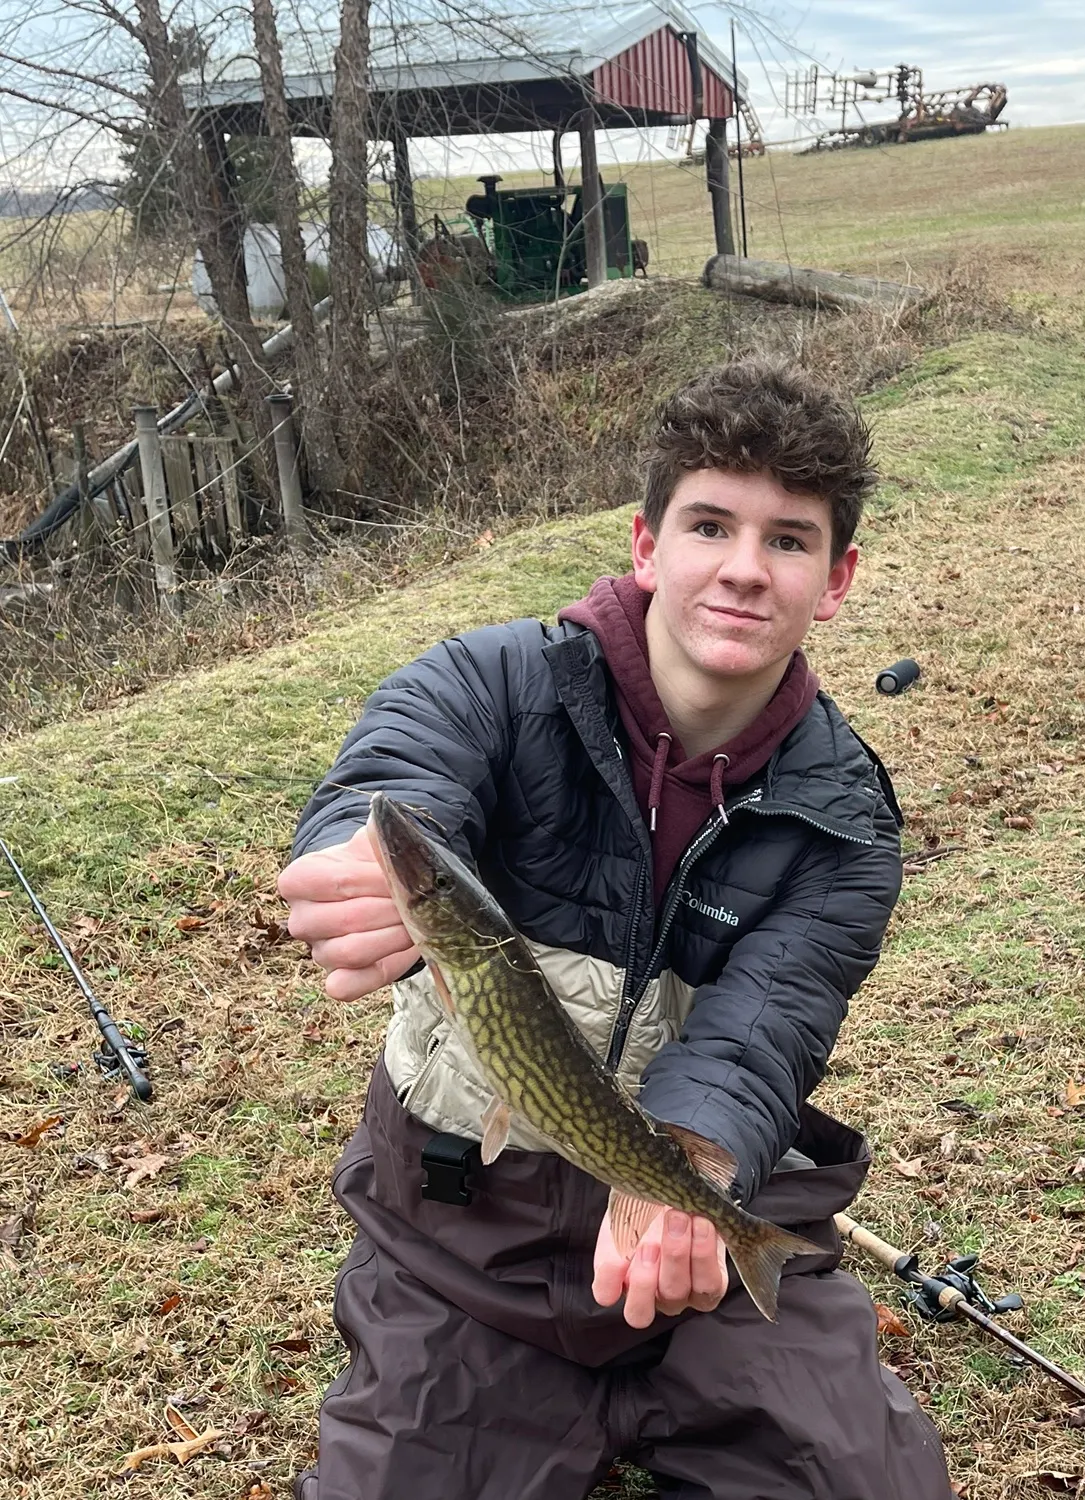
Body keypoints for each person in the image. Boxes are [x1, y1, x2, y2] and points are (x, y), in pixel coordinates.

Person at [278, 359, 953, 1500]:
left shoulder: (846, 822)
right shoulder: (496, 681)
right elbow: (404, 764)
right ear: (648, 547)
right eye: (709, 525)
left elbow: (762, 1031)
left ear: (834, 580)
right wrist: (357, 843)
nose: (744, 569)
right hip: (466, 1246)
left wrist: (694, 1166)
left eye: (788, 540)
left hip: (697, 1231)